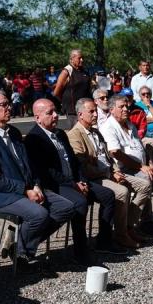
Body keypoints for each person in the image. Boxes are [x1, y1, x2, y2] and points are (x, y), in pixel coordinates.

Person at [0, 90, 75, 268]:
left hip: (24, 189)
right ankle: (21, 255)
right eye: (3, 105)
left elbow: (29, 166)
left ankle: (19, 245)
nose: (9, 107)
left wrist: (36, 185)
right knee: (39, 214)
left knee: (66, 207)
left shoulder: (14, 133)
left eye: (8, 103)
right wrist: (25, 190)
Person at [24, 99, 118, 266]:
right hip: (55, 185)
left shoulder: (60, 133)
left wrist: (81, 179)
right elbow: (46, 172)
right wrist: (73, 184)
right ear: (37, 118)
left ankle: (104, 240)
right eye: (49, 113)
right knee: (80, 202)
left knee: (108, 195)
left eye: (55, 111)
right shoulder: (34, 139)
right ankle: (80, 251)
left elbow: (74, 161)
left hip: (74, 180)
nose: (55, 115)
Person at [67, 98, 147, 251]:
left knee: (144, 185)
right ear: (80, 114)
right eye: (91, 111)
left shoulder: (96, 131)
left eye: (96, 111)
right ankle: (121, 235)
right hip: (95, 178)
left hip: (109, 173)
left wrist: (115, 170)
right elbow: (83, 166)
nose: (95, 114)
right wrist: (109, 173)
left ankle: (128, 227)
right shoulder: (75, 135)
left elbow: (109, 157)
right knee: (122, 192)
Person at [100, 95, 153, 234]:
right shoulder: (109, 127)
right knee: (146, 178)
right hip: (124, 169)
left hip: (141, 164)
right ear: (112, 109)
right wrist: (141, 167)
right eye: (122, 107)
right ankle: (144, 221)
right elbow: (116, 153)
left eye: (127, 106)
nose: (126, 109)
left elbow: (141, 147)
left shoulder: (129, 124)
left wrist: (150, 163)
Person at [53, 49, 91, 127]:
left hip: (86, 108)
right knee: (77, 132)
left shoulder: (84, 71)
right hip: (73, 111)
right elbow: (56, 93)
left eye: (82, 58)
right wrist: (65, 101)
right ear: (72, 59)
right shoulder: (66, 71)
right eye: (79, 58)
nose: (82, 60)